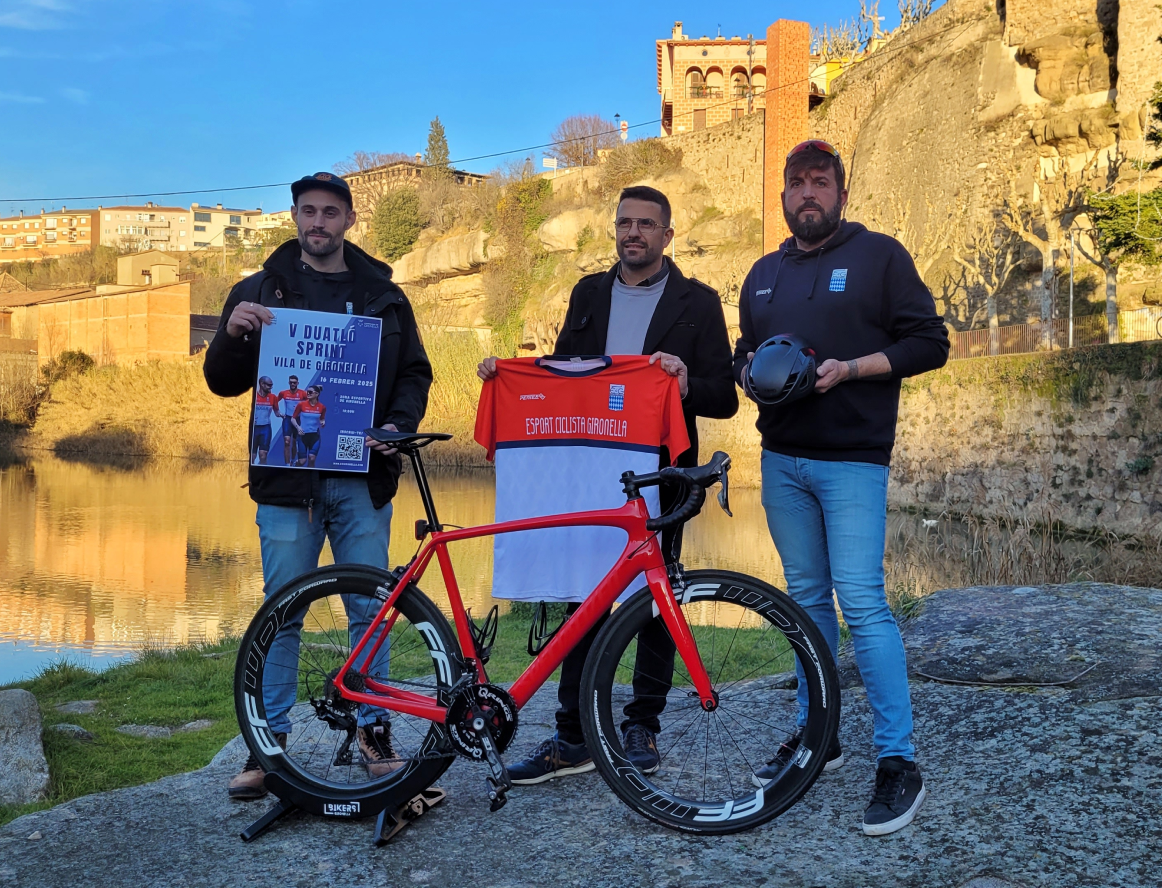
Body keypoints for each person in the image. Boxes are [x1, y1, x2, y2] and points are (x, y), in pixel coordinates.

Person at [477, 184, 738, 784]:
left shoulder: (698, 301)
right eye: (625, 223)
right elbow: (565, 372)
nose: (634, 233)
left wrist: (684, 379)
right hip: (585, 471)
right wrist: (506, 376)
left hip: (660, 473)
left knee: (655, 597)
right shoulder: (587, 292)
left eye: (647, 224)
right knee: (579, 595)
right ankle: (571, 734)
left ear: (667, 236)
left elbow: (724, 395)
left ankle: (641, 722)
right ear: (614, 229)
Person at [732, 140, 949, 836]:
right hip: (781, 460)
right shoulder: (762, 274)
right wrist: (747, 374)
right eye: (796, 184)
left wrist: (852, 369)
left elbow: (931, 342)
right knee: (804, 602)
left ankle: (898, 761)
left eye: (819, 182)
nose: (807, 194)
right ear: (785, 197)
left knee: (861, 600)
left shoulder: (880, 256)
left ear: (841, 194)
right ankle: (816, 736)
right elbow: (744, 352)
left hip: (854, 459)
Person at [204, 171, 432, 800]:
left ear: (350, 219)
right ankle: (267, 745)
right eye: (309, 211)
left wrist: (396, 423)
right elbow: (221, 382)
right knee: (282, 612)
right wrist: (232, 333)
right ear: (296, 217)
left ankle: (374, 729)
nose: (319, 223)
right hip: (286, 482)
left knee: (371, 608)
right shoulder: (256, 292)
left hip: (362, 477)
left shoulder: (385, 295)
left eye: (331, 212)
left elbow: (416, 372)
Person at [292, 384, 327, 468]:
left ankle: (310, 478)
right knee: (302, 461)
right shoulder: (301, 405)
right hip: (303, 435)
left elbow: (322, 419)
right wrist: (298, 427)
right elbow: (293, 419)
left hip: (315, 436)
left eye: (310, 392)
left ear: (317, 394)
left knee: (312, 458)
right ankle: (294, 466)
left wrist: (323, 422)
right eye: (307, 392)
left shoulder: (322, 407)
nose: (308, 393)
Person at [276, 374, 308, 465]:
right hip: (287, 419)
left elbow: (312, 402)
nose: (293, 384)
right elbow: (274, 401)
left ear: (297, 383)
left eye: (294, 382)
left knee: (294, 442)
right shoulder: (283, 393)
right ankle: (287, 464)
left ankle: (293, 461)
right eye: (291, 382)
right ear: (288, 383)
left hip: (297, 420)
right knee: (287, 442)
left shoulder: (303, 393)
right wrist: (278, 412)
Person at [252, 376, 277, 465]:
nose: (271, 387)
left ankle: (262, 472)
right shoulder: (253, 395)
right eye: (269, 385)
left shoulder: (273, 397)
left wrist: (283, 415)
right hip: (254, 428)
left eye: (272, 385)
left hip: (266, 428)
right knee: (252, 456)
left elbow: (277, 412)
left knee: (263, 455)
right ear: (262, 384)